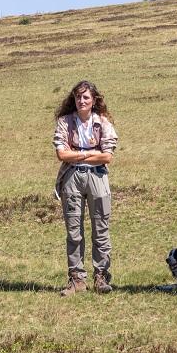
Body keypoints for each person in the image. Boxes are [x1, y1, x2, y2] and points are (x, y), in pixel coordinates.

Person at [53, 81, 118, 297]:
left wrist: (78, 153)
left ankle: (101, 276)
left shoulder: (103, 122)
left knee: (101, 228)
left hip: (97, 177)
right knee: (74, 231)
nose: (82, 101)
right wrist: (89, 154)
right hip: (72, 176)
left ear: (94, 101)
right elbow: (62, 154)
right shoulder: (65, 122)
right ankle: (77, 279)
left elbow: (107, 156)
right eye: (78, 97)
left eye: (86, 98)